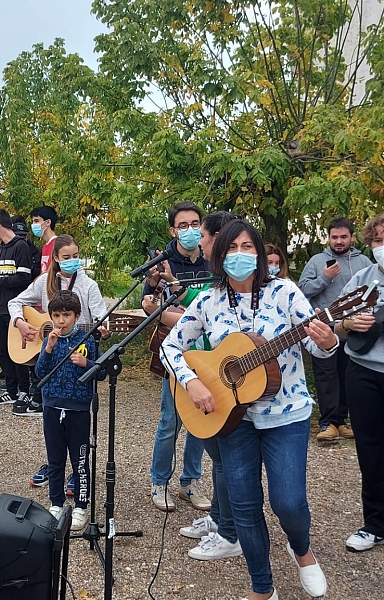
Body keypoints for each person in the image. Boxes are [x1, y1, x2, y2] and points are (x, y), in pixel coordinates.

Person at [162, 219, 333, 600]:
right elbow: (170, 347)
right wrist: (192, 382)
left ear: (258, 253)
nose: (240, 255)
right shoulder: (207, 300)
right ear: (219, 257)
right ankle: (262, 587)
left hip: (286, 414)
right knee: (243, 504)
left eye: (247, 247)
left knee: (288, 501)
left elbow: (317, 348)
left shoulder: (285, 292)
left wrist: (328, 338)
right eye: (232, 249)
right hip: (233, 419)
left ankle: (301, 550)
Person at [8, 234, 107, 489]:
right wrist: (20, 323)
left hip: (77, 353)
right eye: (66, 257)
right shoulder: (44, 283)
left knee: (77, 417)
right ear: (55, 258)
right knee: (52, 420)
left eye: (76, 256)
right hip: (51, 353)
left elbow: (100, 316)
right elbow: (14, 301)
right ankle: (54, 466)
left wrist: (104, 327)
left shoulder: (88, 285)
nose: (72, 261)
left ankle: (78, 469)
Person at [176, 211, 242, 561]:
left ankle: (230, 530)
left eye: (202, 235)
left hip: (241, 396)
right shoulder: (213, 291)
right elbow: (183, 330)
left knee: (227, 460)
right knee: (218, 457)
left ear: (218, 239)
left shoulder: (259, 290)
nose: (198, 241)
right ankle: (219, 519)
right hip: (210, 380)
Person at [142, 200, 211, 513]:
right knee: (171, 420)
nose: (190, 230)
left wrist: (180, 312)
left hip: (211, 352)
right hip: (177, 353)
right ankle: (160, 482)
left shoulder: (212, 259)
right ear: (173, 230)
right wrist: (177, 312)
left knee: (202, 421)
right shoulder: (162, 262)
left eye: (195, 224)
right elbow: (150, 307)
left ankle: (190, 483)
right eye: (183, 225)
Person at [333, 212, 384, 553]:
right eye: (379, 240)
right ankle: (375, 524)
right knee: (370, 448)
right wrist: (350, 325)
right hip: (364, 371)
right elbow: (335, 325)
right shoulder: (363, 280)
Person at [35, 290, 105, 532]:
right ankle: (56, 503)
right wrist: (48, 349)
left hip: (78, 409)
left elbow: (102, 372)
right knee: (55, 458)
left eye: (66, 315)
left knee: (80, 460)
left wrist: (87, 364)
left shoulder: (88, 340)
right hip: (52, 406)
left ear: (77, 316)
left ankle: (81, 506)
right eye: (56, 315)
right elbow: (40, 373)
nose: (61, 320)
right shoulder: (49, 340)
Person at [299, 217, 372, 442]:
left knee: (347, 374)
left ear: (352, 237)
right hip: (325, 327)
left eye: (343, 237)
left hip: (354, 330)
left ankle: (342, 421)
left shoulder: (364, 263)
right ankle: (328, 422)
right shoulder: (317, 260)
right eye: (334, 237)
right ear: (328, 237)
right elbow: (302, 290)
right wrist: (324, 278)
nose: (338, 241)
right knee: (326, 375)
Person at [0, 208, 32, 405]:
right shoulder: (0, 249)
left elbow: (23, 277)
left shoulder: (21, 247)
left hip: (16, 308)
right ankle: (10, 391)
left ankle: (24, 390)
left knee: (17, 352)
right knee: (1, 350)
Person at [30, 205, 58, 274]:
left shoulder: (58, 245)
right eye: (33, 221)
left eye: (36, 221)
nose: (33, 225)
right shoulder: (44, 247)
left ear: (48, 222)